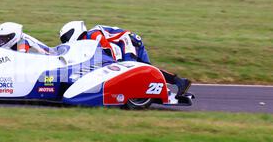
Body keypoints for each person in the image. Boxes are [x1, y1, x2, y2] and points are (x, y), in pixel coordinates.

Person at [59, 21, 192, 96]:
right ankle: (180, 82)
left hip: (128, 42)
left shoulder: (92, 35)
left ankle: (171, 86)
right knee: (147, 73)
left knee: (131, 68)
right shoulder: (86, 41)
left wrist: (114, 65)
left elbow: (108, 49)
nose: (65, 42)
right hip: (131, 42)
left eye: (65, 38)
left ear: (74, 32)